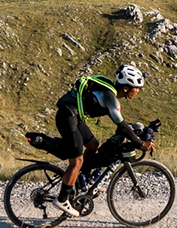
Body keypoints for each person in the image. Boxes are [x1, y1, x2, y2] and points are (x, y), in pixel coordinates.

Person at [54, 64, 151, 214]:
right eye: (136, 87)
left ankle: (84, 181)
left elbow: (122, 126)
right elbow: (121, 124)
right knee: (77, 161)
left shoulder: (109, 91)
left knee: (93, 144)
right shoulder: (110, 97)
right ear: (126, 88)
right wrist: (140, 143)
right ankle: (62, 200)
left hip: (74, 116)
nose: (137, 91)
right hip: (67, 116)